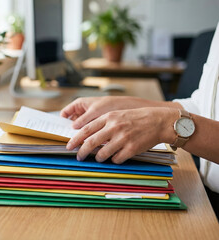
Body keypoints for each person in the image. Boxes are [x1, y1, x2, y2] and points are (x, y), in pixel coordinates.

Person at [62, 22, 219, 216]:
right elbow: (202, 107)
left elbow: (177, 120)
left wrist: (165, 125)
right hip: (204, 195)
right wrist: (122, 105)